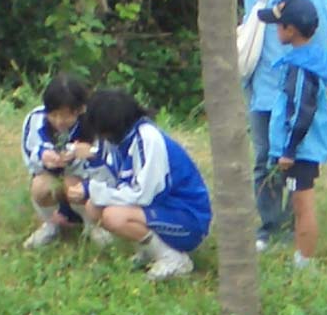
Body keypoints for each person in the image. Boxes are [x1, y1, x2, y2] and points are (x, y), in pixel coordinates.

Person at [240, 0, 327, 252]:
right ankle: (268, 223)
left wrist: (317, 69)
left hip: (289, 71)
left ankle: (285, 229)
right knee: (262, 150)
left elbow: (321, 16)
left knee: (284, 150)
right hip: (257, 69)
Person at [65, 89, 212, 280]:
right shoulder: (120, 141)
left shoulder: (148, 139)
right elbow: (114, 181)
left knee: (113, 216)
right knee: (94, 207)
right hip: (161, 207)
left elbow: (143, 194)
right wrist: (89, 180)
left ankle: (174, 259)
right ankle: (149, 252)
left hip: (187, 217)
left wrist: (92, 190)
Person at [257, 0, 327, 270]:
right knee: (301, 204)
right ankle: (302, 258)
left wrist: (289, 149)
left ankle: (304, 262)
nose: (275, 31)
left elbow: (303, 110)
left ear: (291, 30)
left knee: (302, 205)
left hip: (300, 150)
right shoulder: (304, 60)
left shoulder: (301, 68)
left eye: (278, 26)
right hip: (300, 148)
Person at [20, 73, 113, 250]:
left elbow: (109, 166)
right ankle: (50, 224)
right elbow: (30, 156)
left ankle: (92, 225)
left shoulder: (94, 125)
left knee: (72, 183)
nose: (59, 121)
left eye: (66, 116)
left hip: (85, 185)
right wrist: (44, 157)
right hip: (50, 176)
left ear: (80, 110)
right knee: (40, 186)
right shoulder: (35, 119)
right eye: (53, 115)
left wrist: (87, 156)